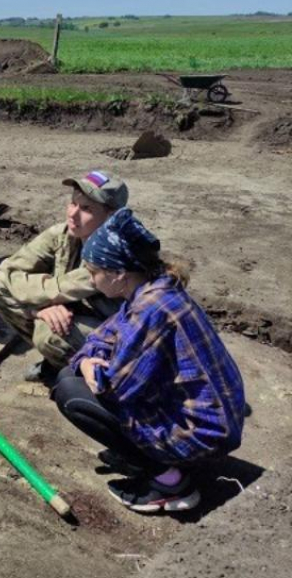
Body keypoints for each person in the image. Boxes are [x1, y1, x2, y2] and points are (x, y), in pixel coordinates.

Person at [51, 208, 246, 513]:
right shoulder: (154, 288)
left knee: (71, 394)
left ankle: (170, 482)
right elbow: (103, 336)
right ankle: (158, 460)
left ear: (118, 273)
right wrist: (87, 361)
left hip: (203, 435)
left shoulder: (151, 310)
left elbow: (113, 387)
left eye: (93, 272)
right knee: (69, 376)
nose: (90, 278)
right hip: (209, 420)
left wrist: (89, 366)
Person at [0, 171, 128, 382]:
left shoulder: (114, 252)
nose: (73, 214)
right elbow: (13, 266)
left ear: (111, 216)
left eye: (86, 208)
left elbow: (59, 288)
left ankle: (91, 376)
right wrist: (38, 308)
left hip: (121, 337)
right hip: (78, 314)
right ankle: (60, 362)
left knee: (48, 331)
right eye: (73, 203)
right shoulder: (65, 233)